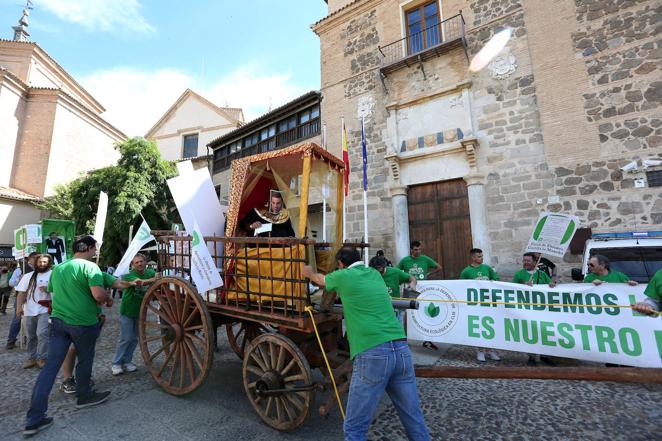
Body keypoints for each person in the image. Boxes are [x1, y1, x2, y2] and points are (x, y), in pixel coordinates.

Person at [303, 247, 430, 441]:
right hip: (401, 349)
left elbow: (321, 281)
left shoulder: (343, 275)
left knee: (354, 428)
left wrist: (309, 273)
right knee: (413, 418)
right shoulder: (374, 274)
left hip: (373, 353)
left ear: (340, 264)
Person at [23, 236, 111, 437]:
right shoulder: (90, 267)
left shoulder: (59, 268)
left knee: (49, 370)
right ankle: (84, 396)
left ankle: (33, 420)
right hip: (83, 323)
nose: (95, 251)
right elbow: (98, 295)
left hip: (59, 323)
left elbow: (53, 293)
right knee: (85, 359)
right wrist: (107, 299)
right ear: (89, 248)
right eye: (94, 248)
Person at [59, 268, 136, 394]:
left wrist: (132, 283)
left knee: (86, 349)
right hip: (72, 316)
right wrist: (108, 298)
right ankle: (68, 380)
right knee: (72, 348)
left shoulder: (99, 275)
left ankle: (83, 379)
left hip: (94, 317)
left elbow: (119, 283)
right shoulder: (68, 273)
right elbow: (99, 295)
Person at [111, 254, 157, 375]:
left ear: (145, 262)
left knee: (135, 338)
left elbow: (159, 276)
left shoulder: (150, 272)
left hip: (141, 312)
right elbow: (139, 283)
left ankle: (127, 361)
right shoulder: (128, 274)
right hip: (127, 311)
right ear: (132, 264)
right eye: (136, 263)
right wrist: (153, 280)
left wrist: (155, 278)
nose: (140, 264)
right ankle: (116, 363)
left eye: (141, 261)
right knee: (125, 337)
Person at [511, 253, 556, 366]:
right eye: (524, 260)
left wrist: (552, 284)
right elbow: (511, 289)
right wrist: (523, 286)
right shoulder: (519, 274)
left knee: (544, 331)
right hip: (527, 309)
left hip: (542, 309)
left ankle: (545, 355)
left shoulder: (542, 274)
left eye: (528, 261)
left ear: (535, 262)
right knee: (531, 332)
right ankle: (532, 356)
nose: (525, 263)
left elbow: (550, 285)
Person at [460, 248, 500, 363]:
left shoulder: (487, 268)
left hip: (489, 304)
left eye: (482, 256)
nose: (481, 258)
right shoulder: (466, 271)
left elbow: (496, 279)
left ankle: (491, 350)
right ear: (473, 257)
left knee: (491, 327)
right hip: (475, 305)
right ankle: (480, 351)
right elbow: (461, 287)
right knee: (479, 328)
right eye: (479, 256)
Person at [16, 254, 53, 369]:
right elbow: (21, 293)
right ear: (36, 263)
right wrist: (18, 307)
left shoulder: (53, 275)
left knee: (42, 334)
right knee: (31, 336)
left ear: (49, 263)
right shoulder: (28, 276)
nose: (42, 264)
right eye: (40, 262)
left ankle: (42, 358)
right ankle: (32, 358)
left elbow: (60, 291)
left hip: (45, 310)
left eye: (45, 262)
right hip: (29, 310)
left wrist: (49, 289)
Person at [369, 255, 416, 324]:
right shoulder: (369, 275)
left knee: (397, 332)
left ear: (384, 267)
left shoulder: (395, 272)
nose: (379, 275)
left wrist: (413, 284)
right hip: (377, 310)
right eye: (376, 273)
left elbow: (412, 278)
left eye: (381, 272)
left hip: (394, 310)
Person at [6, 252, 38, 350]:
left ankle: (30, 339)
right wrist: (19, 280)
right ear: (30, 258)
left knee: (33, 319)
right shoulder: (20, 269)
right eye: (36, 258)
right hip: (21, 296)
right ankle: (11, 340)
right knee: (17, 318)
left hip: (35, 298)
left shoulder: (40, 269)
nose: (38, 260)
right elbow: (11, 283)